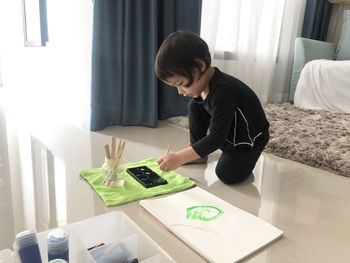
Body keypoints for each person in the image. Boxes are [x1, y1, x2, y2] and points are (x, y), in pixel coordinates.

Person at [155, 31, 269, 184]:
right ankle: (199, 154)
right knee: (195, 105)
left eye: (181, 84)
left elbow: (216, 138)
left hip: (249, 138)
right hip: (229, 129)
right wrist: (195, 150)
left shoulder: (224, 91)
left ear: (200, 67)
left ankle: (236, 157)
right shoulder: (204, 88)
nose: (180, 92)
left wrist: (179, 158)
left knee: (227, 174)